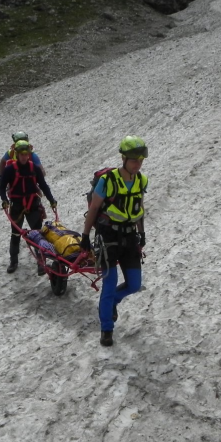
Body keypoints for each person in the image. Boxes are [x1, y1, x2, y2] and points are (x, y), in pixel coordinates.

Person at [80, 136, 148, 346]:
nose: (138, 164)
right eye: (134, 160)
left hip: (129, 237)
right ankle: (106, 329)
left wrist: (141, 232)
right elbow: (93, 209)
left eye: (140, 160)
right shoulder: (107, 181)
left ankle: (113, 303)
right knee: (109, 285)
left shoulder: (141, 180)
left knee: (135, 284)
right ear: (124, 158)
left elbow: (138, 209)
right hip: (108, 237)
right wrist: (85, 236)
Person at [0, 139, 57, 274]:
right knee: (15, 234)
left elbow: (43, 185)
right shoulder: (9, 170)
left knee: (37, 234)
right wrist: (4, 199)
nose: (24, 157)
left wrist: (51, 200)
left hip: (33, 205)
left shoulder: (34, 169)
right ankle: (13, 261)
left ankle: (41, 263)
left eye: (26, 154)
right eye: (22, 154)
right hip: (16, 206)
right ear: (17, 154)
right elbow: (1, 187)